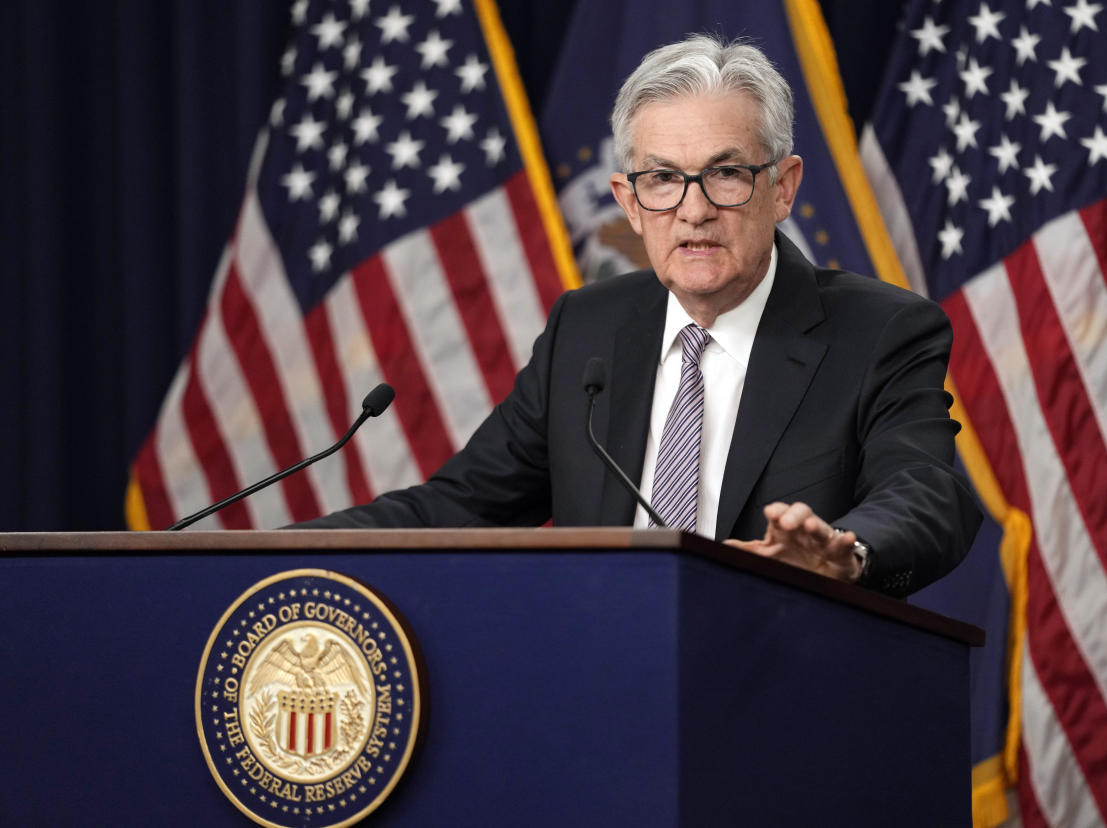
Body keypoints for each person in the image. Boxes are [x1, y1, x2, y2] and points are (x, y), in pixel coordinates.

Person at [298, 34, 981, 597]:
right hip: (600, 689)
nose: (693, 210)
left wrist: (846, 553)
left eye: (726, 173)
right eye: (662, 179)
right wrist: (275, 550)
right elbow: (458, 507)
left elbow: (927, 493)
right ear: (628, 201)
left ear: (783, 188)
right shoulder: (587, 332)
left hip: (781, 692)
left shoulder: (880, 332)